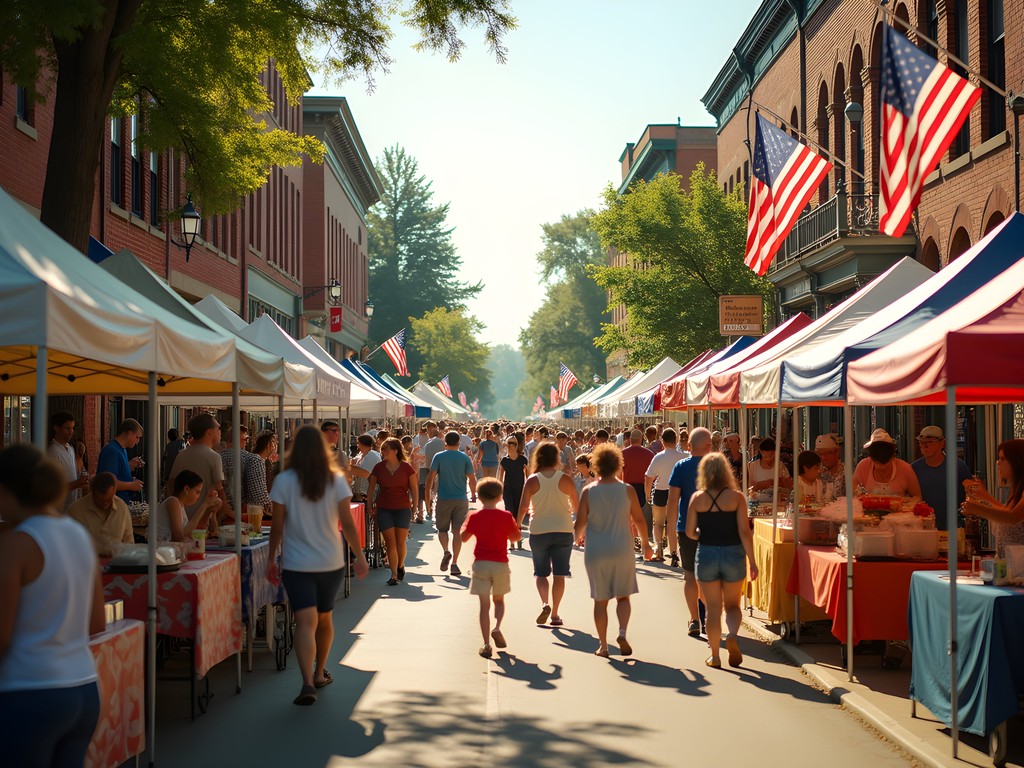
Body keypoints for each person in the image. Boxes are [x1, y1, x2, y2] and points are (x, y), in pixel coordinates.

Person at [0, 444, 106, 767]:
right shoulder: (79, 536)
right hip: (83, 686)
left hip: (29, 689)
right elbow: (97, 623)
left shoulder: (17, 545)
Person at [267, 425, 369, 706]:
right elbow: (346, 523)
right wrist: (359, 557)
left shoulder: (283, 481)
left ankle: (306, 682)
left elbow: (277, 527)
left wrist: (270, 559)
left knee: (304, 621)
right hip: (330, 561)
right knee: (324, 618)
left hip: (296, 562)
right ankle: (320, 670)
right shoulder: (335, 480)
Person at [574, 443, 652, 657]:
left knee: (600, 600)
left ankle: (604, 646)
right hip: (622, 548)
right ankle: (623, 632)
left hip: (596, 551)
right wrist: (646, 544)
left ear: (596, 465)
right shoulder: (626, 490)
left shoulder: (589, 491)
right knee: (623, 598)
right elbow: (638, 519)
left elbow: (579, 522)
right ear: (619, 465)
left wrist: (578, 537)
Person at [685, 453, 758, 669]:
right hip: (734, 553)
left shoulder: (697, 498)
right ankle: (733, 634)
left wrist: (703, 535)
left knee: (712, 609)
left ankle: (715, 656)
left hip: (707, 553)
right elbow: (745, 531)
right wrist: (752, 561)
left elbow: (689, 531)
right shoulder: (737, 498)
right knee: (733, 605)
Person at [518, 443, 579, 627]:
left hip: (539, 530)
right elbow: (577, 507)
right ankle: (554, 614)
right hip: (563, 529)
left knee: (541, 573)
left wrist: (516, 528)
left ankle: (544, 603)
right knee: (559, 575)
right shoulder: (566, 480)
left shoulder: (532, 480)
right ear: (556, 458)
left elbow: (522, 508)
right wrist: (579, 525)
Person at [460, 478, 522, 657]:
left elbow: (463, 537)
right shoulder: (505, 516)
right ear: (500, 497)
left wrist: (467, 523)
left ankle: (486, 644)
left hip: (481, 563)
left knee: (484, 605)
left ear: (478, 496)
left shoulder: (475, 517)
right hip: (500, 563)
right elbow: (516, 537)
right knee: (499, 601)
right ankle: (497, 627)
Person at [667, 427, 712, 637]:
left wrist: (670, 529)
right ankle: (710, 617)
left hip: (686, 526)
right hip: (714, 527)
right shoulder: (716, 467)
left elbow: (673, 500)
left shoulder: (681, 466)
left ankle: (694, 619)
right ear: (709, 446)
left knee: (690, 576)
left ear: (688, 446)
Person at [426, 431, 477, 577]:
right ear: (459, 442)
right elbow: (472, 479)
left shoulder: (439, 456)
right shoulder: (464, 457)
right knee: (457, 532)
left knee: (442, 530)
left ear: (445, 443)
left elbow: (431, 477)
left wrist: (428, 495)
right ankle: (454, 563)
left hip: (443, 498)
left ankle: (446, 551)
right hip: (461, 499)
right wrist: (473, 494)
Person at [367, 437, 418, 585]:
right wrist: (370, 506)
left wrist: (415, 507)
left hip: (403, 508)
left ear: (395, 451)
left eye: (385, 449)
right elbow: (371, 489)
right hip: (384, 508)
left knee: (400, 542)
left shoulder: (407, 468)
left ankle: (400, 565)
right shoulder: (378, 467)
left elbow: (414, 489)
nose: (382, 452)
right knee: (390, 543)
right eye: (381, 449)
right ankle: (394, 574)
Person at [167, 413, 230, 527]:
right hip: (202, 519)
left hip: (181, 518)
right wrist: (230, 512)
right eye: (218, 428)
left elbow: (170, 486)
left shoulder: (182, 454)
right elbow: (219, 489)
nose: (220, 432)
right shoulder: (214, 457)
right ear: (209, 432)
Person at [963, 440, 1024, 556]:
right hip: (1010, 565)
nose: (998, 463)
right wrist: (986, 497)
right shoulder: (1016, 490)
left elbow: (1012, 517)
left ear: (1017, 461)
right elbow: (1006, 511)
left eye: (1002, 458)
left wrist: (977, 508)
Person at [911, 426, 971, 528]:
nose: (924, 446)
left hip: (954, 529)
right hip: (924, 528)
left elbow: (971, 495)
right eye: (921, 443)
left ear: (942, 443)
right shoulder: (913, 469)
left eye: (929, 442)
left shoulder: (958, 466)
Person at [66, 473, 134, 556]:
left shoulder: (121, 508)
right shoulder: (75, 511)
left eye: (109, 499)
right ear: (92, 492)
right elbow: (68, 546)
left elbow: (129, 541)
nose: (105, 503)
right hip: (86, 563)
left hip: (117, 563)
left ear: (114, 491)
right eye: (100, 500)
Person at [644, 428, 685, 564]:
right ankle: (674, 552)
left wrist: (647, 494)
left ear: (662, 440)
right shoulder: (684, 456)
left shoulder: (659, 457)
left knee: (658, 523)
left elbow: (649, 477)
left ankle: (659, 550)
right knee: (673, 525)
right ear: (676, 439)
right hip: (677, 493)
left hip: (661, 491)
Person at [852, 429, 921, 498]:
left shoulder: (905, 469)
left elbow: (917, 498)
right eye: (878, 463)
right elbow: (853, 495)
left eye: (886, 465)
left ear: (892, 457)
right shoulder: (863, 466)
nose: (882, 469)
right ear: (871, 458)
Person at [220, 423, 271, 517]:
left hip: (220, 513)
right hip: (244, 515)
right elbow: (258, 497)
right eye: (245, 439)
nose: (247, 442)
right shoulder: (253, 459)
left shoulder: (217, 458)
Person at [155, 470, 220, 542]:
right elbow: (178, 538)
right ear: (187, 489)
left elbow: (195, 531)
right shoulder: (173, 501)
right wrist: (205, 505)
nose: (198, 497)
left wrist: (208, 511)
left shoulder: (179, 504)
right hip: (163, 550)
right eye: (197, 492)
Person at [96, 418, 145, 504]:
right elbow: (108, 483)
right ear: (129, 433)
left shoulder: (122, 450)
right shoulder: (112, 451)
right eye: (137, 437)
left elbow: (118, 473)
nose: (137, 441)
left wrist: (129, 469)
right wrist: (131, 485)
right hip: (112, 505)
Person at [621, 429, 655, 548]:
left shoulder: (622, 453)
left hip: (626, 486)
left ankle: (633, 538)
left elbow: (619, 472)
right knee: (640, 515)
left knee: (628, 514)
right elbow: (653, 474)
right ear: (641, 439)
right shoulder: (649, 454)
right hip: (643, 487)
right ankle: (641, 539)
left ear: (630, 439)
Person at [48, 411, 89, 511]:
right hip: (58, 509)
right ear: (56, 428)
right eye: (67, 428)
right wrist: (77, 483)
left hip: (71, 507)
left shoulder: (70, 448)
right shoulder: (53, 452)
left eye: (72, 428)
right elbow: (53, 488)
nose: (71, 432)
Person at [497, 436, 528, 551]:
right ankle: (511, 542)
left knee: (518, 515)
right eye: (509, 443)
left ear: (517, 445)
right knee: (509, 515)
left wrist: (529, 492)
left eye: (513, 443)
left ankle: (518, 540)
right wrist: (499, 491)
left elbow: (528, 476)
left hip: (520, 490)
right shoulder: (504, 461)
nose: (510, 445)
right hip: (508, 490)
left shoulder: (523, 460)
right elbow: (500, 478)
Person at [747, 437, 793, 502]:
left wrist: (778, 482)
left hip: (777, 501)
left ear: (774, 453)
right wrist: (761, 485)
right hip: (758, 501)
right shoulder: (753, 466)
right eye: (765, 456)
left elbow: (788, 486)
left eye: (770, 455)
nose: (768, 459)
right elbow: (750, 488)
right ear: (761, 452)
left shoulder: (780, 466)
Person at [346, 435, 382, 503]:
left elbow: (366, 474)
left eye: (358, 443)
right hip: (359, 495)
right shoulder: (361, 455)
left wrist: (348, 468)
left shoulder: (372, 455)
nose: (357, 445)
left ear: (361, 443)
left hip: (367, 495)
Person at [420, 422, 445, 520]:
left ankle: (430, 511)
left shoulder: (430, 443)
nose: (428, 432)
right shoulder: (442, 442)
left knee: (429, 489)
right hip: (439, 470)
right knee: (436, 491)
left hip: (429, 469)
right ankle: (435, 511)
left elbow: (422, 456)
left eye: (429, 430)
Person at [815, 434, 845, 501]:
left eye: (827, 453)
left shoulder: (847, 474)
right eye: (820, 454)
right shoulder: (817, 474)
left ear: (837, 452)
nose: (823, 458)